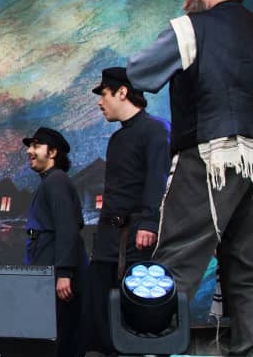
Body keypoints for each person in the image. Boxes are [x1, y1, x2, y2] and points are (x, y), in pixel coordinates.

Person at [127, 0, 253, 355]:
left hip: (210, 156)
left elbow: (139, 72)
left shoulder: (191, 27)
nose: (184, 3)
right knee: (247, 269)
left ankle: (156, 349)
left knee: (175, 262)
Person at [84, 67, 170, 355]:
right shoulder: (117, 139)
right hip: (107, 241)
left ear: (122, 92)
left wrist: (149, 222)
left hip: (135, 240)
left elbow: (158, 180)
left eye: (104, 94)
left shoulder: (155, 129)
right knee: (98, 311)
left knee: (132, 313)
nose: (100, 102)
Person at [22, 126, 87, 357]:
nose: (29, 151)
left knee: (59, 336)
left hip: (56, 273)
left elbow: (67, 226)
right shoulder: (50, 181)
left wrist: (64, 273)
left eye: (36, 146)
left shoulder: (56, 180)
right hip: (49, 268)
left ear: (52, 152)